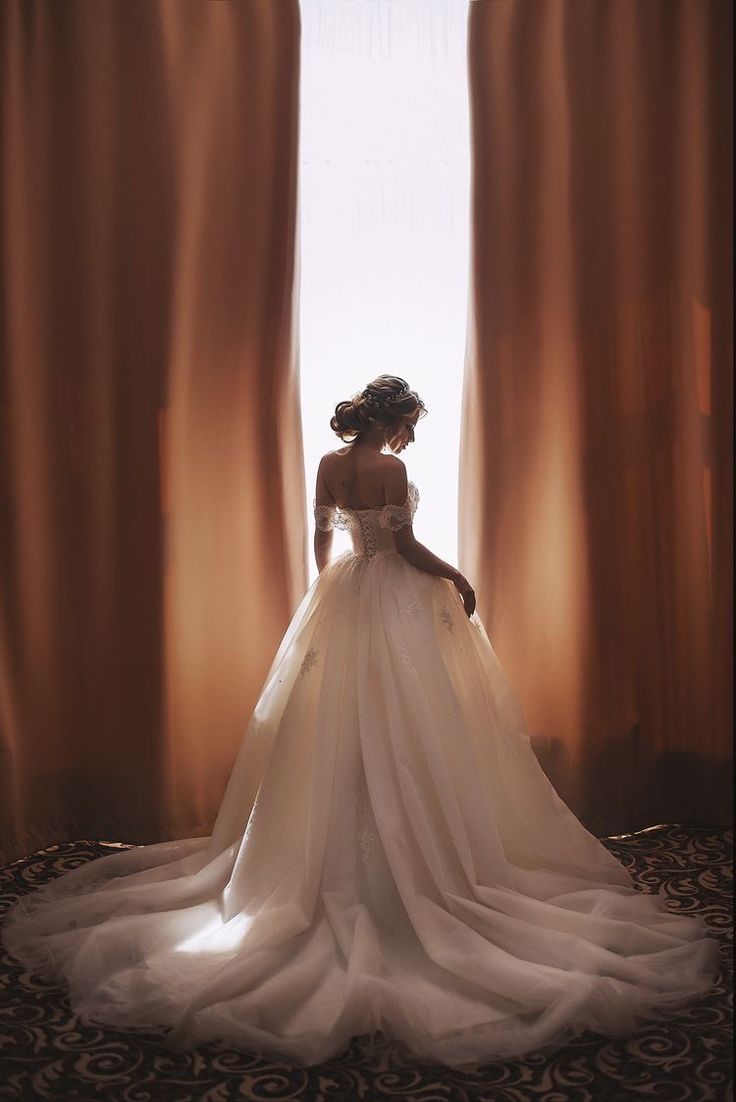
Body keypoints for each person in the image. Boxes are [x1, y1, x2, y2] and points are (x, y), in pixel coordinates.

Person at [1, 374, 719, 1070]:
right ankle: (420, 865)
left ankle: (323, 856)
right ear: (393, 419)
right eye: (409, 424)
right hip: (394, 596)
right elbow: (404, 549)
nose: (409, 436)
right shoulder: (389, 473)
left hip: (343, 591)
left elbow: (322, 535)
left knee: (333, 725)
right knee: (409, 721)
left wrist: (325, 588)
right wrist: (456, 577)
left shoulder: (329, 464)